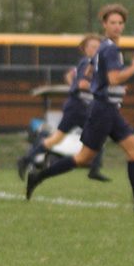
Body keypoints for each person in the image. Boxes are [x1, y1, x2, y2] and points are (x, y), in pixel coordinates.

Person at [26, 4, 134, 214]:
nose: (117, 26)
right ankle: (38, 176)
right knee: (83, 159)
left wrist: (114, 83)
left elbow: (100, 76)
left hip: (110, 109)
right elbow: (113, 78)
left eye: (120, 23)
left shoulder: (107, 48)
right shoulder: (110, 49)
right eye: (113, 23)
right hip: (102, 110)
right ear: (104, 25)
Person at [17, 34, 109, 182]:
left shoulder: (92, 64)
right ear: (85, 49)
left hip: (75, 106)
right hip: (78, 107)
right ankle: (94, 169)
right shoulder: (87, 63)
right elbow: (82, 84)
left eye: (98, 46)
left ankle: (26, 159)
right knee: (98, 133)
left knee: (56, 139)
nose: (96, 49)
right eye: (92, 46)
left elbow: (71, 77)